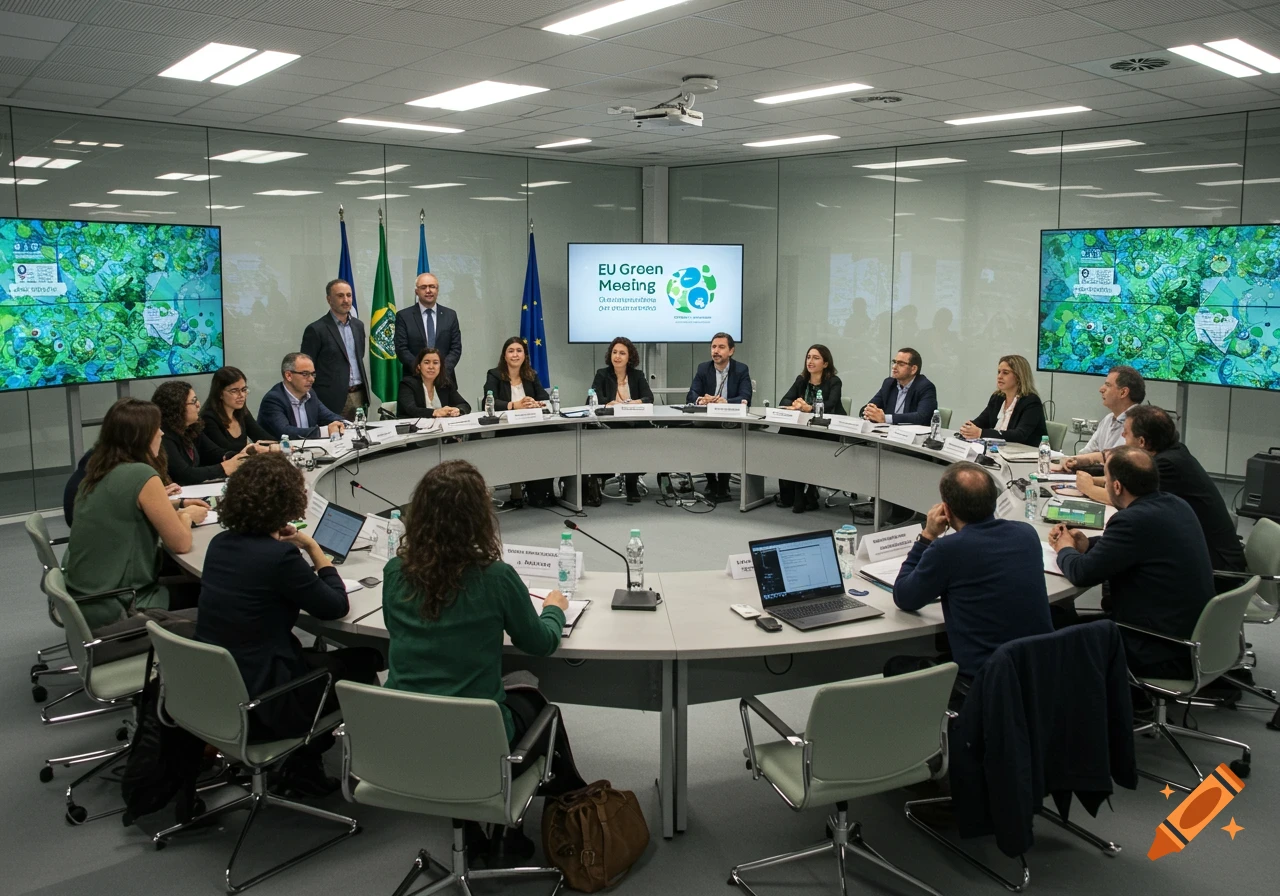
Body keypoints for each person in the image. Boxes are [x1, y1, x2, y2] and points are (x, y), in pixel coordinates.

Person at [381, 460, 587, 852]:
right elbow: (541, 643)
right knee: (543, 710)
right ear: (479, 518)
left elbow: (396, 627)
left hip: (405, 734)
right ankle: (514, 826)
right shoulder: (494, 577)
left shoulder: (395, 572)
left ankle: (479, 826)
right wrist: (555, 607)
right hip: (477, 736)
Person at [196, 454, 384, 797]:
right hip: (266, 699)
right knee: (366, 659)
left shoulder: (219, 544)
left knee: (322, 656)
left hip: (218, 688)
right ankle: (306, 763)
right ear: (288, 501)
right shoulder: (278, 558)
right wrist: (313, 548)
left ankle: (304, 765)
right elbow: (335, 606)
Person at [1049, 446, 1214, 679]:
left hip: (1155, 646)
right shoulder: (1175, 504)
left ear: (1117, 487)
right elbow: (1134, 546)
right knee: (1059, 617)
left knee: (1049, 633)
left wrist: (1063, 547)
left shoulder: (1132, 520)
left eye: (1105, 480)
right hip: (1186, 633)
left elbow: (1081, 573)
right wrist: (1088, 546)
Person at [890, 462, 1052, 685]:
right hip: (1037, 670)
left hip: (987, 680)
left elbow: (904, 597)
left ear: (946, 510)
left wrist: (927, 536)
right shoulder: (1026, 534)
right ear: (994, 501)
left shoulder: (948, 549)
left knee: (895, 665)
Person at [63, 398, 209, 632]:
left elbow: (123, 507)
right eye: (156, 428)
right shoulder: (141, 473)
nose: (161, 433)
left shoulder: (98, 470)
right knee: (217, 592)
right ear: (140, 437)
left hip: (88, 597)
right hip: (122, 604)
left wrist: (174, 505)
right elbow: (181, 544)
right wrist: (186, 516)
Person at [1071, 405, 1246, 586]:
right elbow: (1125, 482)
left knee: (1121, 561)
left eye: (1126, 433)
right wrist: (1093, 479)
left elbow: (1125, 496)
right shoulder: (1174, 453)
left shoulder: (1166, 466)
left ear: (1142, 442)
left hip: (1214, 570)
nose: (1122, 436)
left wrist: (1088, 488)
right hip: (1197, 553)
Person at [484, 337, 553, 506]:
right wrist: (516, 405)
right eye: (511, 351)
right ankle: (519, 486)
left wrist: (535, 403)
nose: (515, 355)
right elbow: (489, 401)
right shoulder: (494, 374)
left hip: (531, 426)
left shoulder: (531, 375)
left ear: (525, 355)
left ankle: (538, 488)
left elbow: (544, 397)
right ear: (504, 355)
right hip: (507, 428)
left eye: (519, 351)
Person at [776, 344, 843, 513]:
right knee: (785, 435)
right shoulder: (801, 380)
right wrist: (796, 404)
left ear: (826, 363)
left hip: (827, 430)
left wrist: (809, 408)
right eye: (808, 357)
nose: (810, 361)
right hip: (804, 428)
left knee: (805, 447)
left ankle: (803, 493)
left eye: (816, 358)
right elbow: (784, 400)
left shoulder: (834, 382)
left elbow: (830, 405)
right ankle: (791, 493)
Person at [686, 332, 751, 501]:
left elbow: (746, 397)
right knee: (704, 437)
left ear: (731, 351)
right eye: (713, 347)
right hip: (707, 420)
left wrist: (726, 402)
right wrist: (701, 399)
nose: (716, 351)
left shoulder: (741, 369)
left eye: (721, 347)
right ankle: (711, 481)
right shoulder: (703, 368)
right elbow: (691, 394)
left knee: (726, 437)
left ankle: (723, 483)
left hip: (729, 419)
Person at [590, 336, 654, 503]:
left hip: (634, 422)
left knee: (637, 437)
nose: (617, 356)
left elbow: (649, 398)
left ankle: (631, 482)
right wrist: (608, 403)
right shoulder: (602, 374)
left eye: (622, 353)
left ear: (629, 357)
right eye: (615, 352)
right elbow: (592, 399)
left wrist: (635, 402)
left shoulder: (637, 375)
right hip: (611, 423)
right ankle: (605, 475)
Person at [151, 380, 251, 486]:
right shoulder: (163, 435)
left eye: (196, 399)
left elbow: (213, 453)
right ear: (177, 407)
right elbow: (184, 474)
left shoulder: (190, 428)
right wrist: (223, 468)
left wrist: (242, 456)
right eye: (193, 401)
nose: (198, 405)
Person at [301, 278, 369, 421]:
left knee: (361, 438)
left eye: (349, 295)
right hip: (332, 399)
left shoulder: (358, 326)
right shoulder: (316, 329)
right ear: (329, 299)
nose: (346, 300)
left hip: (359, 394)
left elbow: (359, 357)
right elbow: (306, 368)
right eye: (340, 296)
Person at [1060, 365, 1145, 470]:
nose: (1101, 389)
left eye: (1108, 385)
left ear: (1123, 392)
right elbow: (1087, 452)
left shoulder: (1140, 424)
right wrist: (1071, 461)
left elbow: (1119, 463)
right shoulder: (1108, 419)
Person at [959, 354, 1047, 446]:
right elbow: (981, 422)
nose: (999, 376)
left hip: (1025, 454)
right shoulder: (997, 398)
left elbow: (1020, 435)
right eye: (999, 372)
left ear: (1019, 376)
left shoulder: (1031, 402)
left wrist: (981, 433)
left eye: (1005, 372)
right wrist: (968, 427)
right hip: (999, 450)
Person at [258, 352, 347, 440]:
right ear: (289, 375)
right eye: (305, 374)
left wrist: (344, 424)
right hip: (279, 452)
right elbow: (285, 432)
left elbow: (328, 416)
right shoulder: (273, 400)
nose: (312, 379)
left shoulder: (310, 394)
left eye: (313, 374)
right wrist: (324, 431)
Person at [394, 271, 462, 378]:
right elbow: (401, 348)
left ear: (437, 290)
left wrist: (442, 369)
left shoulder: (450, 315)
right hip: (414, 378)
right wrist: (420, 368)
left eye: (432, 286)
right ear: (416, 291)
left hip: (445, 378)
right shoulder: (403, 316)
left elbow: (456, 348)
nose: (428, 290)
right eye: (423, 287)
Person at [200, 366, 279, 458]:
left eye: (244, 390)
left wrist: (278, 446)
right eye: (234, 391)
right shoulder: (208, 418)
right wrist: (255, 449)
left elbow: (263, 437)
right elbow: (225, 454)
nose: (241, 395)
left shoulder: (241, 412)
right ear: (220, 394)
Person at [861, 347, 938, 426]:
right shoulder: (889, 383)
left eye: (901, 364)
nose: (894, 367)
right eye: (894, 362)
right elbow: (868, 407)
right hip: (888, 434)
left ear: (913, 369)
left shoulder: (925, 387)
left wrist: (885, 418)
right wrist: (869, 412)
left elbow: (922, 417)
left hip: (911, 435)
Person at [398, 346, 471, 419]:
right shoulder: (407, 384)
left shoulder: (445, 384)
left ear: (440, 366)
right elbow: (411, 409)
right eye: (426, 362)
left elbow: (464, 405)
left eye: (435, 363)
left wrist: (458, 410)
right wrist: (436, 412)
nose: (431, 367)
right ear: (419, 366)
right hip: (412, 428)